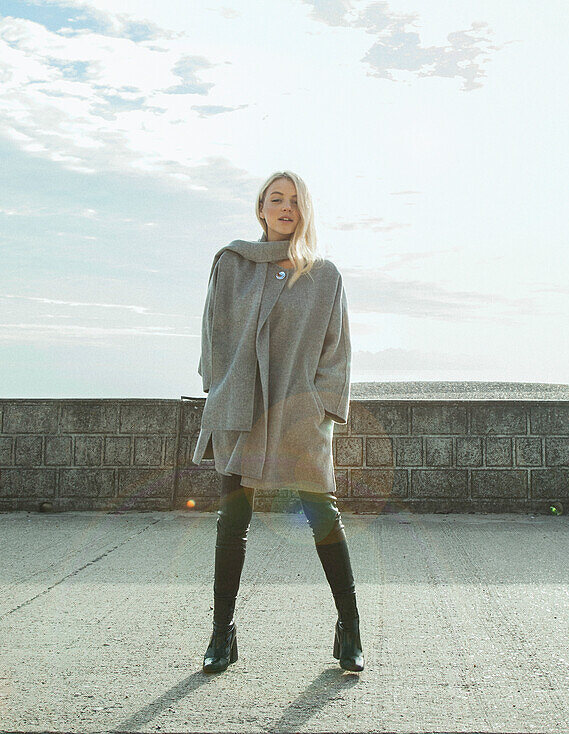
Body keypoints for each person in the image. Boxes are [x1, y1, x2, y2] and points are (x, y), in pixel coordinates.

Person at [192, 171, 362, 673]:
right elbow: (212, 336)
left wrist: (322, 411)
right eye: (276, 199)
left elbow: (338, 350)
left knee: (323, 519)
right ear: (260, 208)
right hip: (240, 411)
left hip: (299, 416)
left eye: (294, 200)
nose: (285, 207)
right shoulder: (231, 263)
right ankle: (222, 634)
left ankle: (349, 630)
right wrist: (220, 392)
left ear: (304, 210)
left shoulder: (324, 274)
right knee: (232, 522)